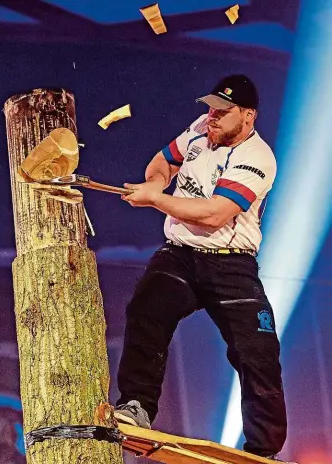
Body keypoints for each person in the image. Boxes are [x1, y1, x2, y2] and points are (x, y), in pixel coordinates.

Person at [114, 75, 291, 462]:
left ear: (247, 116)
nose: (211, 117)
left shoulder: (257, 159)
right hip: (180, 252)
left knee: (257, 352)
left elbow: (214, 215)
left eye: (222, 112)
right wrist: (157, 183)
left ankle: (263, 452)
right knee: (146, 309)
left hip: (231, 265)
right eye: (210, 107)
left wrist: (156, 199)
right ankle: (136, 407)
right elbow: (161, 162)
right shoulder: (199, 130)